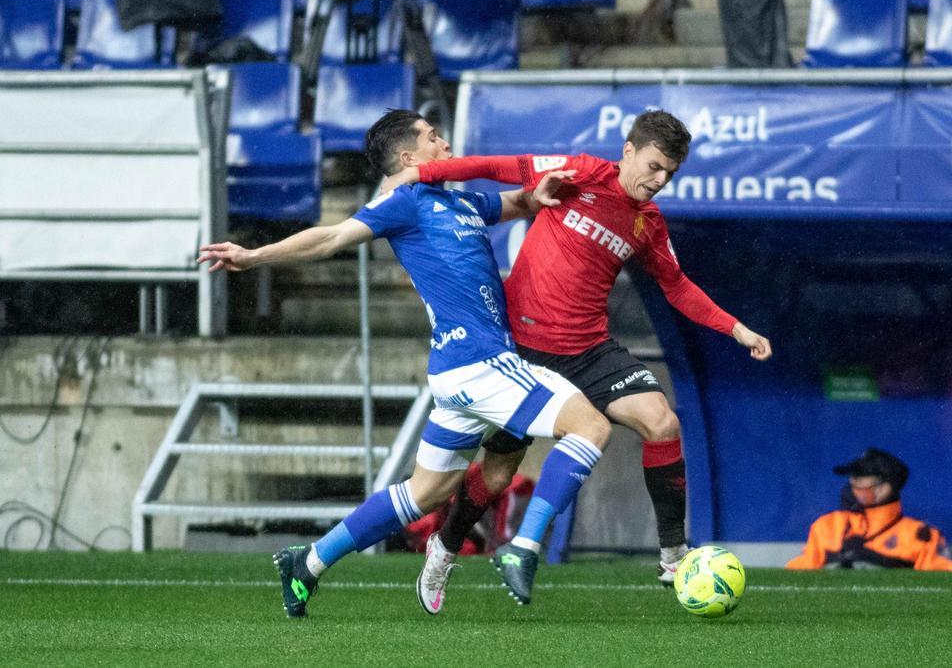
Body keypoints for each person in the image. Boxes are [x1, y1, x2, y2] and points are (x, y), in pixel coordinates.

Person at [197, 108, 614, 618]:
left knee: (425, 493)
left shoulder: (455, 197)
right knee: (590, 426)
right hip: (481, 364)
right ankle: (523, 549)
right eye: (434, 138)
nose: (446, 143)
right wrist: (254, 256)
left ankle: (308, 562)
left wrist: (537, 194)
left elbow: (512, 202)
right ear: (408, 157)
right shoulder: (403, 201)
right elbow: (329, 237)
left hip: (456, 373)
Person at [384, 110, 773, 610]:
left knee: (662, 423)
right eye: (653, 166)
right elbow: (500, 166)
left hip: (589, 349)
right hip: (522, 350)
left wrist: (735, 328)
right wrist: (423, 173)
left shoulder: (647, 223)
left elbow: (677, 285)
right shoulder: (583, 172)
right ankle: (444, 547)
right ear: (628, 150)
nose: (658, 181)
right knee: (498, 474)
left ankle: (673, 554)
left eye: (669, 174)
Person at [785, 448, 952, 571]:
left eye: (860, 480)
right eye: (853, 480)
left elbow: (939, 588)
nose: (854, 484)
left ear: (884, 487)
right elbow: (801, 573)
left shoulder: (921, 536)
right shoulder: (827, 526)